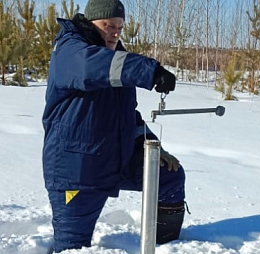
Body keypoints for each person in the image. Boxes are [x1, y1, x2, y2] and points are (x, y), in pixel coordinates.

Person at [42, 0, 186, 252]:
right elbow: (89, 66)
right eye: (108, 25)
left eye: (120, 26)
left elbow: (127, 115)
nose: (116, 32)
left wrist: (151, 145)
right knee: (72, 248)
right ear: (90, 23)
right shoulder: (70, 50)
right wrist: (149, 71)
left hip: (115, 158)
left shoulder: (115, 58)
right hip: (77, 170)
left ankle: (167, 246)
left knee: (168, 176)